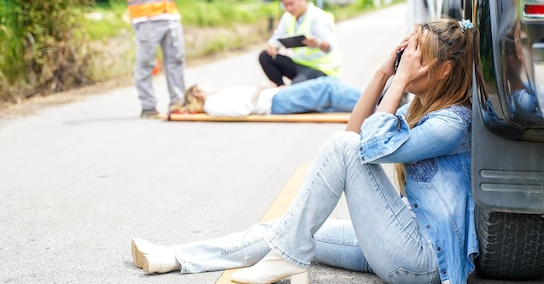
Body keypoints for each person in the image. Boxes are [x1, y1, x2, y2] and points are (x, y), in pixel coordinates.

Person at [130, 18, 479, 284]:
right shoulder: (420, 110)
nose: (406, 60)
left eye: (416, 56)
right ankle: (175, 257)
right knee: (285, 227)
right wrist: (381, 73)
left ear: (444, 70)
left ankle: (287, 256)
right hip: (398, 238)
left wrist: (399, 80)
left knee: (311, 202)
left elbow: (365, 145)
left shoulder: (452, 123)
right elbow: (353, 135)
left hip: (423, 260)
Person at [259, 0, 341, 86]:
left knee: (296, 87)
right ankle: (281, 89)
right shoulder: (288, 16)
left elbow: (330, 46)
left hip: (321, 69)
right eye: (285, 5)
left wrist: (318, 43)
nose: (288, 8)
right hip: (300, 64)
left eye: (291, 4)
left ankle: (291, 93)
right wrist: (273, 45)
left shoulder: (318, 17)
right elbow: (277, 36)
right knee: (265, 56)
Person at [182, 76, 362, 117]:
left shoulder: (216, 99)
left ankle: (373, 102)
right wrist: (259, 89)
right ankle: (375, 101)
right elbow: (242, 109)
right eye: (202, 86)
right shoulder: (212, 105)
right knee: (327, 86)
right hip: (275, 102)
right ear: (198, 93)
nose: (207, 85)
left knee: (328, 95)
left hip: (277, 96)